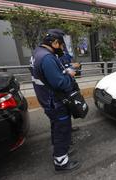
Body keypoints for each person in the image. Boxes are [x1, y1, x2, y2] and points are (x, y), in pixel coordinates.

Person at [30, 29, 79, 172]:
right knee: (62, 130)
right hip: (55, 102)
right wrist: (69, 75)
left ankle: (59, 151)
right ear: (54, 43)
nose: (62, 48)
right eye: (61, 45)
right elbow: (60, 83)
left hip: (46, 100)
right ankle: (61, 162)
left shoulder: (37, 53)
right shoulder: (47, 58)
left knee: (56, 127)